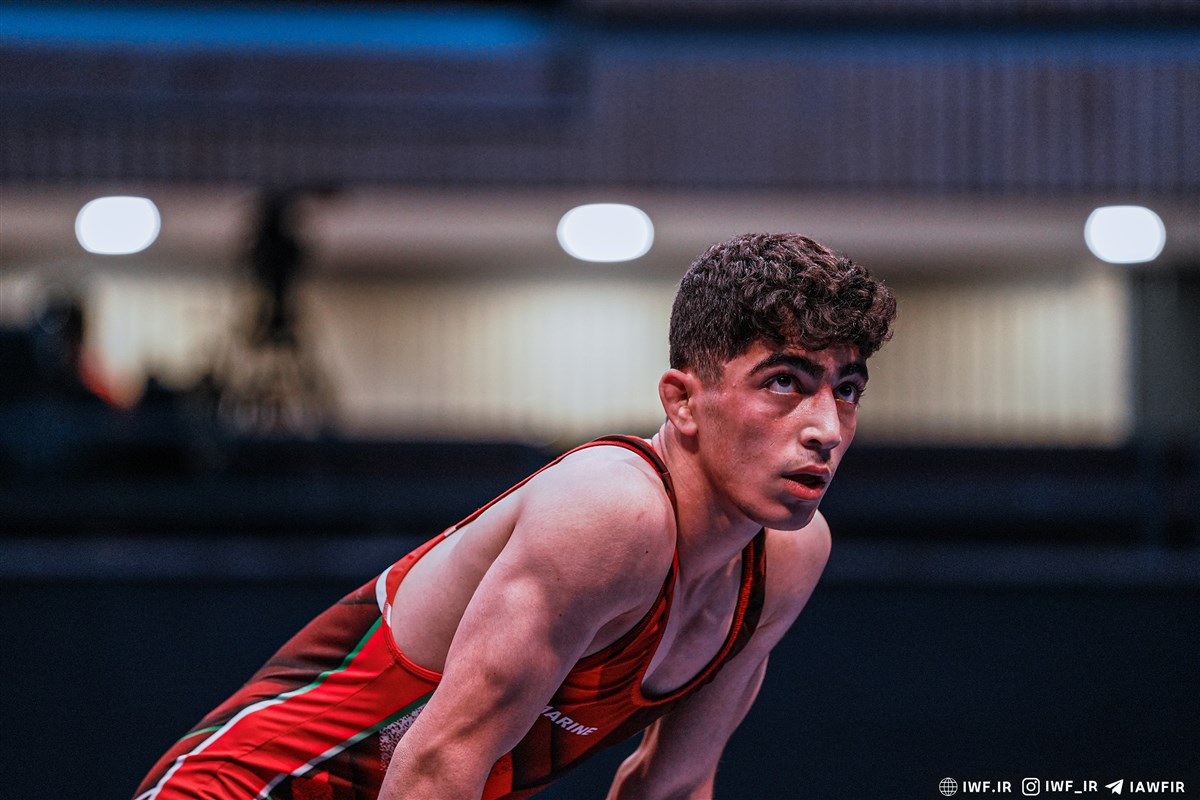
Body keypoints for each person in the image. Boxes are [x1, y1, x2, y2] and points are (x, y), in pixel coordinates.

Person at [134, 232, 896, 800]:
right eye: (784, 382)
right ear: (683, 402)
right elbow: (437, 766)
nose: (826, 428)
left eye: (847, 390)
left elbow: (671, 787)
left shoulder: (787, 557)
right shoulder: (613, 510)